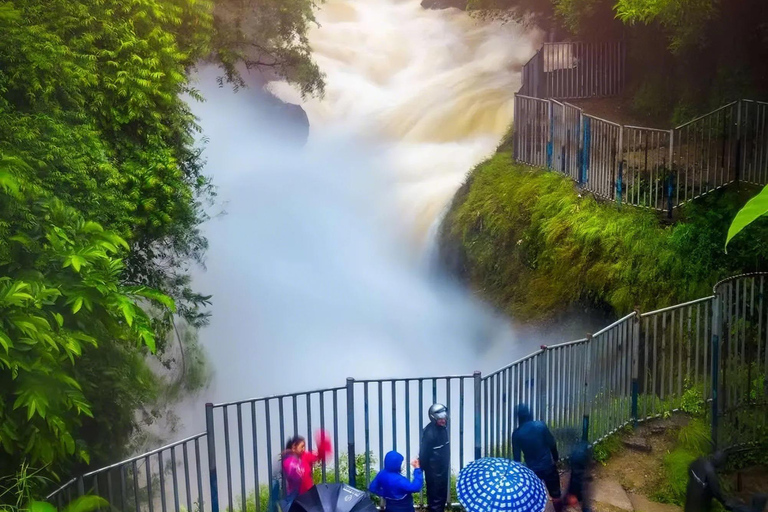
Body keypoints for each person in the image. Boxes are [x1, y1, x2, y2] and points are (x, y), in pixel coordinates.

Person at [512, 404, 562, 512]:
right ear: (530, 414)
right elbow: (552, 444)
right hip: (548, 466)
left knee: (533, 499)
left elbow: (516, 459)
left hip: (532, 471)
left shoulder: (516, 434)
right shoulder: (541, 426)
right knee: (556, 495)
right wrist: (556, 459)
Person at [279, 432, 332, 510]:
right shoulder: (288, 460)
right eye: (302, 446)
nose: (303, 449)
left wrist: (323, 445)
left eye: (304, 446)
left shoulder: (305, 456)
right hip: (295, 496)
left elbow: (318, 456)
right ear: (294, 447)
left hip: (308, 494)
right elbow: (293, 473)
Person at [419, 403, 450, 512]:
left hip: (442, 469)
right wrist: (421, 467)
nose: (443, 421)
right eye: (440, 419)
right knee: (435, 497)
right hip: (434, 471)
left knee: (442, 495)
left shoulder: (442, 428)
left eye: (444, 418)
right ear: (433, 418)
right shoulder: (429, 433)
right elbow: (424, 453)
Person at [565, 440, 592, 512]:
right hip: (582, 481)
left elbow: (576, 477)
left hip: (579, 485)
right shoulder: (582, 449)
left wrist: (572, 493)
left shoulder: (576, 456)